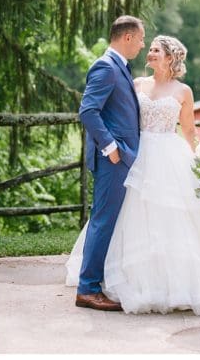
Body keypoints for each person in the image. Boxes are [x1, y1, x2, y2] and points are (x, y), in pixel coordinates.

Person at [66, 35, 200, 315]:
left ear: (170, 58)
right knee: (123, 213)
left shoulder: (184, 92)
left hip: (170, 156)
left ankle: (174, 283)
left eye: (156, 50)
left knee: (176, 218)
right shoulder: (137, 84)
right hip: (137, 153)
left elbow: (189, 132)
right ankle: (111, 277)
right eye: (149, 49)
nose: (150, 53)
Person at [72, 15, 146, 311]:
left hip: (124, 157)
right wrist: (111, 147)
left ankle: (95, 283)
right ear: (127, 37)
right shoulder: (105, 66)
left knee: (107, 220)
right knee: (102, 221)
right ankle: (87, 289)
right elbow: (88, 111)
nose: (142, 45)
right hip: (113, 159)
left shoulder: (120, 67)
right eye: (140, 39)